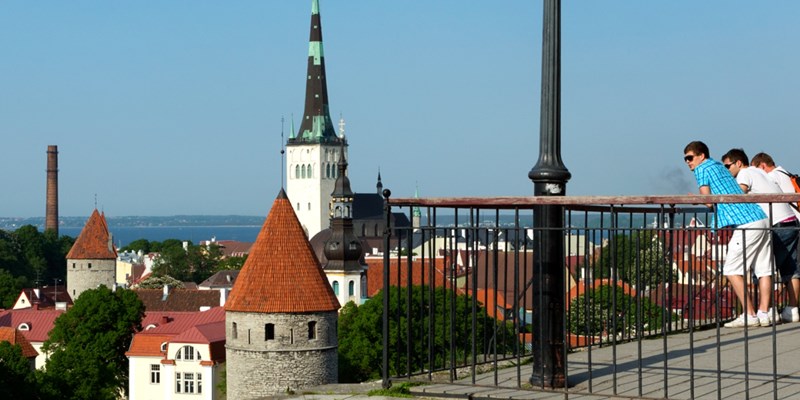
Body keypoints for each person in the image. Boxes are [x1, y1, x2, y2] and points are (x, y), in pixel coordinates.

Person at [683, 141, 770, 328]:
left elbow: (708, 201)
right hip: (760, 217)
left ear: (701, 156)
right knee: (763, 269)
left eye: (690, 158)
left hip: (745, 222)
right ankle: (764, 314)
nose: (688, 162)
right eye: (686, 159)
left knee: (731, 270)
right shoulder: (719, 166)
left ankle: (749, 315)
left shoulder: (702, 169)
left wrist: (695, 200)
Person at [722, 149, 797, 326]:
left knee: (762, 268)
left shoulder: (745, 173)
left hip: (774, 223)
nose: (727, 171)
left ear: (738, 163)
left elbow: (738, 196)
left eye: (727, 166)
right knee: (789, 270)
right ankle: (788, 311)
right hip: (791, 220)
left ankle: (764, 312)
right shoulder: (761, 173)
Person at [751, 152, 800, 322]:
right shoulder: (785, 174)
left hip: (779, 224)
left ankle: (768, 309)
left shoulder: (771, 177)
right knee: (791, 269)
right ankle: (793, 309)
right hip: (794, 223)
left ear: (762, 166)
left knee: (765, 268)